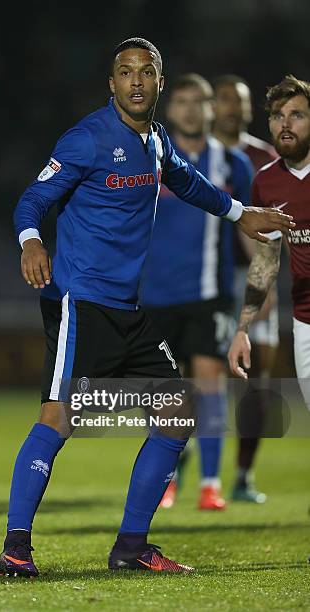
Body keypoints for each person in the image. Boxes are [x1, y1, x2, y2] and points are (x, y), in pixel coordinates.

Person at [0, 38, 294, 578]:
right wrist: (31, 241)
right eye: (125, 72)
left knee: (179, 412)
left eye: (146, 73)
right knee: (58, 417)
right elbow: (33, 199)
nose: (136, 81)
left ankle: (131, 547)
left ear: (159, 82)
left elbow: (186, 179)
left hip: (127, 312)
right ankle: (16, 547)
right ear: (112, 84)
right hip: (79, 303)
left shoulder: (155, 141)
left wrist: (238, 212)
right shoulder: (87, 138)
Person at [140, 74, 253, 511]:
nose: (190, 109)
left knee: (209, 384)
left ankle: (210, 483)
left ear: (212, 109)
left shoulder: (233, 163)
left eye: (199, 101)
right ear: (170, 109)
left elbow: (247, 229)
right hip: (152, 295)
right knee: (165, 394)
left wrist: (261, 291)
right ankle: (167, 480)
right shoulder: (145, 157)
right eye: (182, 101)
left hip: (209, 294)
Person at [212, 75, 279, 503]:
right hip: (206, 281)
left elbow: (280, 223)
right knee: (197, 376)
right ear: (211, 107)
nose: (233, 109)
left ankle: (242, 476)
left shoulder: (265, 157)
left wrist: (267, 280)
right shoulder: (191, 156)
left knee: (258, 381)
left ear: (250, 109)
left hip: (256, 276)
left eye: (241, 102)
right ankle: (182, 469)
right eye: (224, 101)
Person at [229, 75, 310, 413]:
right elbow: (265, 259)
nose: (285, 124)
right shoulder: (266, 181)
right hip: (305, 321)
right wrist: (243, 328)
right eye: (277, 116)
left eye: (297, 115)